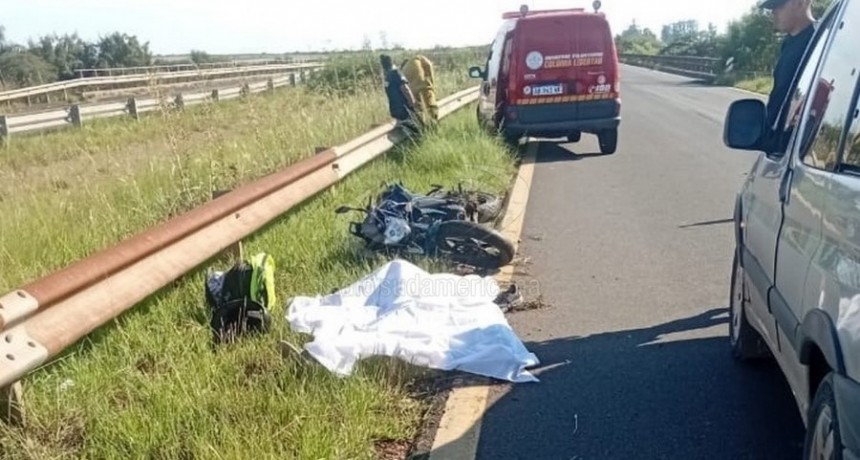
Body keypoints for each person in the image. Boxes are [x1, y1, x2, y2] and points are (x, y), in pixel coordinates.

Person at [760, 0, 817, 139]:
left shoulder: (819, 41)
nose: (773, 12)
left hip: (793, 139)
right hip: (777, 135)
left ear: (800, 3)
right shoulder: (788, 43)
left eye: (778, 6)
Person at [379, 54, 420, 135]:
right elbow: (405, 89)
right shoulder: (396, 73)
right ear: (392, 62)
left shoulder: (387, 77)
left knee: (402, 131)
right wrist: (413, 103)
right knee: (416, 131)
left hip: (395, 111)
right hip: (405, 110)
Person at [401, 54, 439, 127]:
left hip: (416, 95)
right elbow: (429, 66)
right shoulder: (418, 60)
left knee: (421, 113)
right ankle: (434, 126)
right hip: (427, 91)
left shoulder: (405, 70)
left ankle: (425, 129)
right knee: (432, 111)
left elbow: (406, 89)